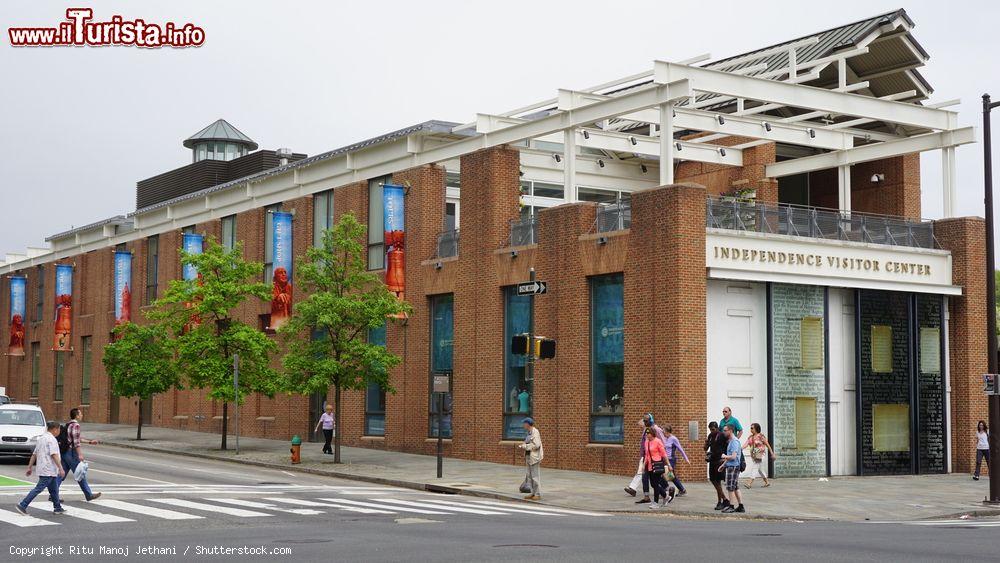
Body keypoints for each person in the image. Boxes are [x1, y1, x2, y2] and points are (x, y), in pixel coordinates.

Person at [15, 421, 66, 516]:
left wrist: (29, 467)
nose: (59, 431)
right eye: (59, 429)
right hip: (48, 469)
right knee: (38, 488)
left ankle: (57, 508)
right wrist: (61, 468)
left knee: (54, 490)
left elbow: (34, 454)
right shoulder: (52, 440)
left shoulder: (41, 439)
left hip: (44, 469)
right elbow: (54, 455)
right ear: (55, 429)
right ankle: (23, 505)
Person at [59, 408, 101, 501]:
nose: (82, 415)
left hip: (65, 452)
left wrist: (89, 442)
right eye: (80, 414)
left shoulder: (68, 424)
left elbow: (76, 438)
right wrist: (80, 454)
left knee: (61, 474)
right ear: (77, 415)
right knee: (80, 473)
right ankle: (88, 494)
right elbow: (76, 442)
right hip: (72, 453)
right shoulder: (76, 425)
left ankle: (53, 494)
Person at [625, 413, 667, 504]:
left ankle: (665, 492)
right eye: (644, 420)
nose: (644, 422)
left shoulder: (656, 429)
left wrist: (663, 459)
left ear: (651, 420)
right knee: (644, 477)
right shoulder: (646, 430)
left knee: (654, 480)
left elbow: (663, 444)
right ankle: (647, 496)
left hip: (655, 459)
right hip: (646, 457)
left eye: (646, 420)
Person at [643, 426, 674, 509]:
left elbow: (664, 454)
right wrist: (643, 465)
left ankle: (656, 503)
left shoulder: (658, 441)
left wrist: (669, 465)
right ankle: (666, 497)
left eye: (648, 433)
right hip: (649, 465)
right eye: (646, 433)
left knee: (655, 484)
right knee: (653, 484)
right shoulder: (646, 442)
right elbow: (646, 454)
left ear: (652, 434)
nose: (647, 435)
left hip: (657, 465)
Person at [719, 423, 745, 513]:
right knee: (735, 487)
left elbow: (733, 457)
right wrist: (723, 465)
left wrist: (724, 456)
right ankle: (741, 506)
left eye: (725, 430)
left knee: (730, 487)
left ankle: (731, 506)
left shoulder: (734, 441)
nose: (724, 432)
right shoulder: (732, 441)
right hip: (731, 466)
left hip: (733, 467)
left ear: (730, 431)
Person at [742, 422, 775, 488]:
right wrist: (740, 449)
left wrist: (772, 453)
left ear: (756, 429)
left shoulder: (761, 436)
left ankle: (749, 483)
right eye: (750, 428)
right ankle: (767, 482)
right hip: (754, 455)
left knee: (755, 467)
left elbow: (767, 445)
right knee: (760, 469)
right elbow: (746, 444)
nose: (750, 429)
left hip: (761, 454)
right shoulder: (750, 437)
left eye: (752, 428)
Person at [705, 421, 729, 510]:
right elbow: (705, 448)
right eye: (710, 429)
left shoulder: (722, 435)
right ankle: (725, 500)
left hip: (719, 461)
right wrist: (706, 443)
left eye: (713, 429)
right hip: (712, 460)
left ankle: (720, 501)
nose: (712, 431)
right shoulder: (710, 436)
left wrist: (725, 458)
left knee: (718, 481)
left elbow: (727, 446)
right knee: (713, 480)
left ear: (717, 428)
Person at [518, 417, 543, 500]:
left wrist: (525, 446)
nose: (523, 425)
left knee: (535, 476)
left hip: (534, 457)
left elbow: (536, 445)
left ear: (527, 424)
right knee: (529, 476)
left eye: (524, 423)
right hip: (528, 456)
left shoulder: (535, 432)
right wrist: (524, 444)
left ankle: (537, 494)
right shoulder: (529, 433)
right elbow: (528, 442)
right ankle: (533, 493)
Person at [662, 425, 690, 496]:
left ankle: (666, 490)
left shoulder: (673, 439)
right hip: (665, 459)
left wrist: (686, 459)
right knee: (670, 476)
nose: (663, 433)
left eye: (664, 431)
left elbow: (680, 449)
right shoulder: (666, 439)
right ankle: (681, 490)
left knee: (669, 475)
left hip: (671, 460)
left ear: (667, 431)